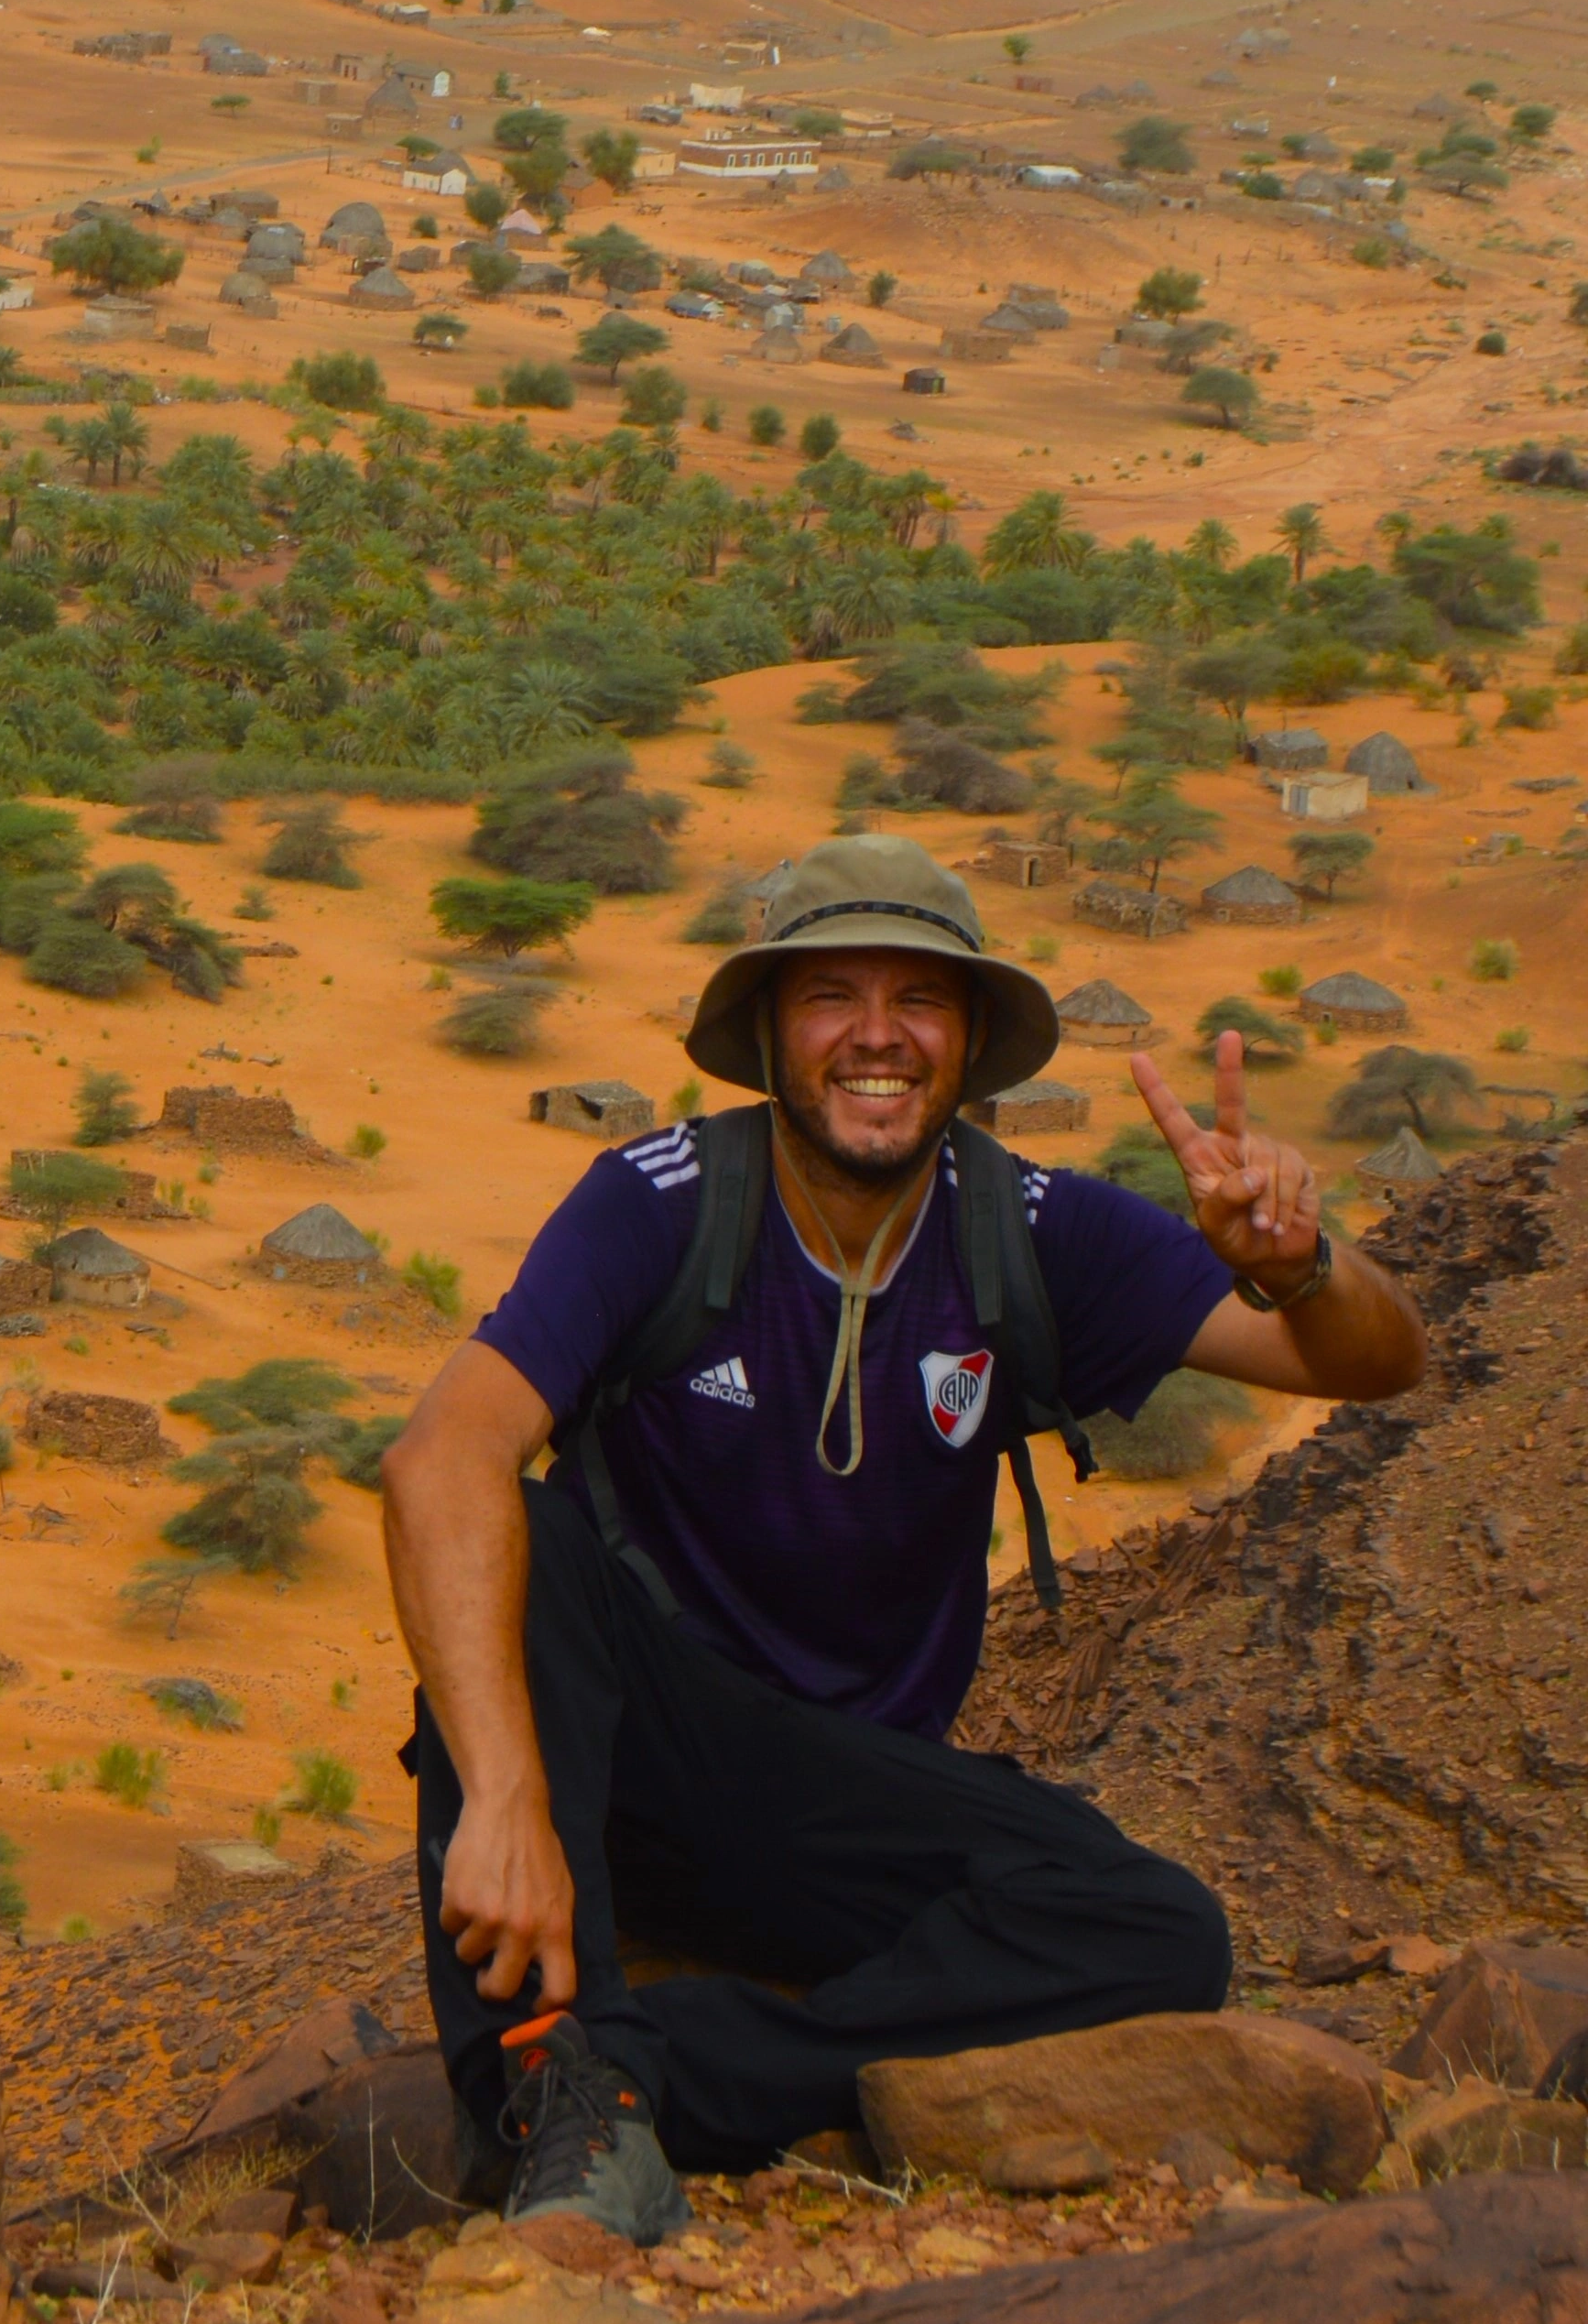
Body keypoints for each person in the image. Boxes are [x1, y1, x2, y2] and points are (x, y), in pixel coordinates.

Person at [376, 835, 1428, 2241]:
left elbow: (1374, 1361)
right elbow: (440, 1454)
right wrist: (505, 1794)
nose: (877, 1034)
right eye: (831, 995)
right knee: (534, 1543)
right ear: (769, 1035)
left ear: (971, 1041)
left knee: (1159, 1926)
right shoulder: (663, 1200)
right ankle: (554, 2100)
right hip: (638, 1748)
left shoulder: (1028, 1228)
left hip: (849, 1793)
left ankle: (658, 2081)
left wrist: (1296, 1258)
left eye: (919, 999)